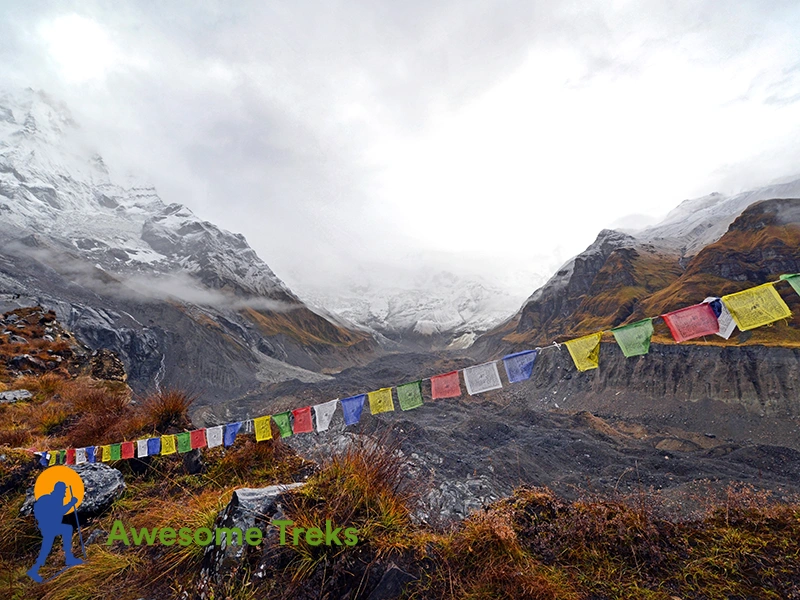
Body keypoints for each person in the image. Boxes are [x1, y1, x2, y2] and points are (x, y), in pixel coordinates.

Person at [27, 482, 83, 582]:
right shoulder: (53, 499)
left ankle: (35, 569)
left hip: (49, 526)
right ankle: (68, 558)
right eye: (64, 491)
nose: (65, 493)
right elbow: (60, 511)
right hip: (49, 527)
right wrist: (71, 503)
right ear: (59, 490)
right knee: (64, 531)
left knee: (47, 547)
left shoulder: (55, 498)